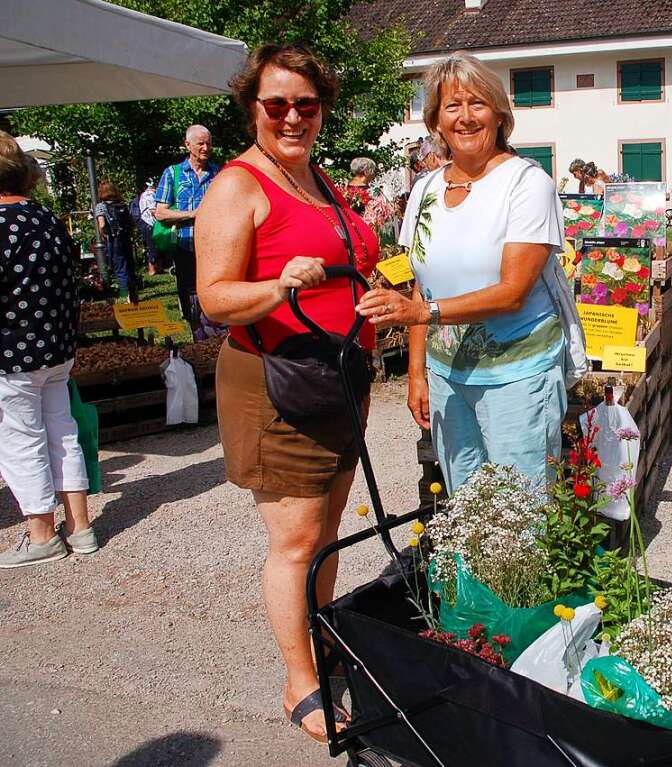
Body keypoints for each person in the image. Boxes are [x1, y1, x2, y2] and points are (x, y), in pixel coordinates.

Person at [195, 44, 379, 743]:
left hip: (335, 375)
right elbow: (214, 295)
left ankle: (322, 640)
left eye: (306, 104)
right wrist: (280, 286)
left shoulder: (318, 178)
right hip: (275, 380)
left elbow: (351, 261)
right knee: (295, 540)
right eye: (277, 105)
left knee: (327, 532)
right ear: (253, 109)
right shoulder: (239, 185)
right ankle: (299, 680)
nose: (292, 117)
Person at [354, 52, 567, 493]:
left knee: (520, 507)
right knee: (466, 501)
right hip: (446, 374)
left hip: (517, 375)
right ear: (436, 120)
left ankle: (519, 567)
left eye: (477, 104)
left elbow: (512, 293)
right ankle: (469, 568)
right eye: (452, 106)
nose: (465, 117)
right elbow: (419, 284)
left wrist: (422, 314)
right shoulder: (426, 189)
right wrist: (417, 372)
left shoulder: (526, 184)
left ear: (499, 114)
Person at [0, 131, 98, 568]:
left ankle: (41, 534)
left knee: (21, 440)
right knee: (61, 431)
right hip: (55, 346)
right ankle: (81, 527)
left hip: (12, 352)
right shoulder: (45, 217)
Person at [154, 125, 220, 337]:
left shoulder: (219, 173)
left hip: (214, 247)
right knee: (190, 294)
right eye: (201, 143)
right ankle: (197, 339)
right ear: (187, 145)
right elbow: (160, 213)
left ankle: (217, 339)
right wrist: (193, 214)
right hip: (185, 246)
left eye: (208, 143)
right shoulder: (173, 174)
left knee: (214, 292)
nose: (205, 147)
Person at [94, 180, 136, 297]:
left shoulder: (101, 206)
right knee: (129, 265)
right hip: (126, 237)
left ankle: (124, 293)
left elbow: (102, 224)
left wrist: (103, 234)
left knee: (120, 266)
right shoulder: (122, 204)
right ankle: (134, 293)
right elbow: (132, 222)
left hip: (114, 239)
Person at [133, 179, 161, 276]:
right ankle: (152, 269)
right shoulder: (150, 195)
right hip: (149, 223)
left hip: (147, 223)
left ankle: (156, 267)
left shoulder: (145, 194)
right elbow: (153, 210)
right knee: (152, 246)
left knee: (153, 246)